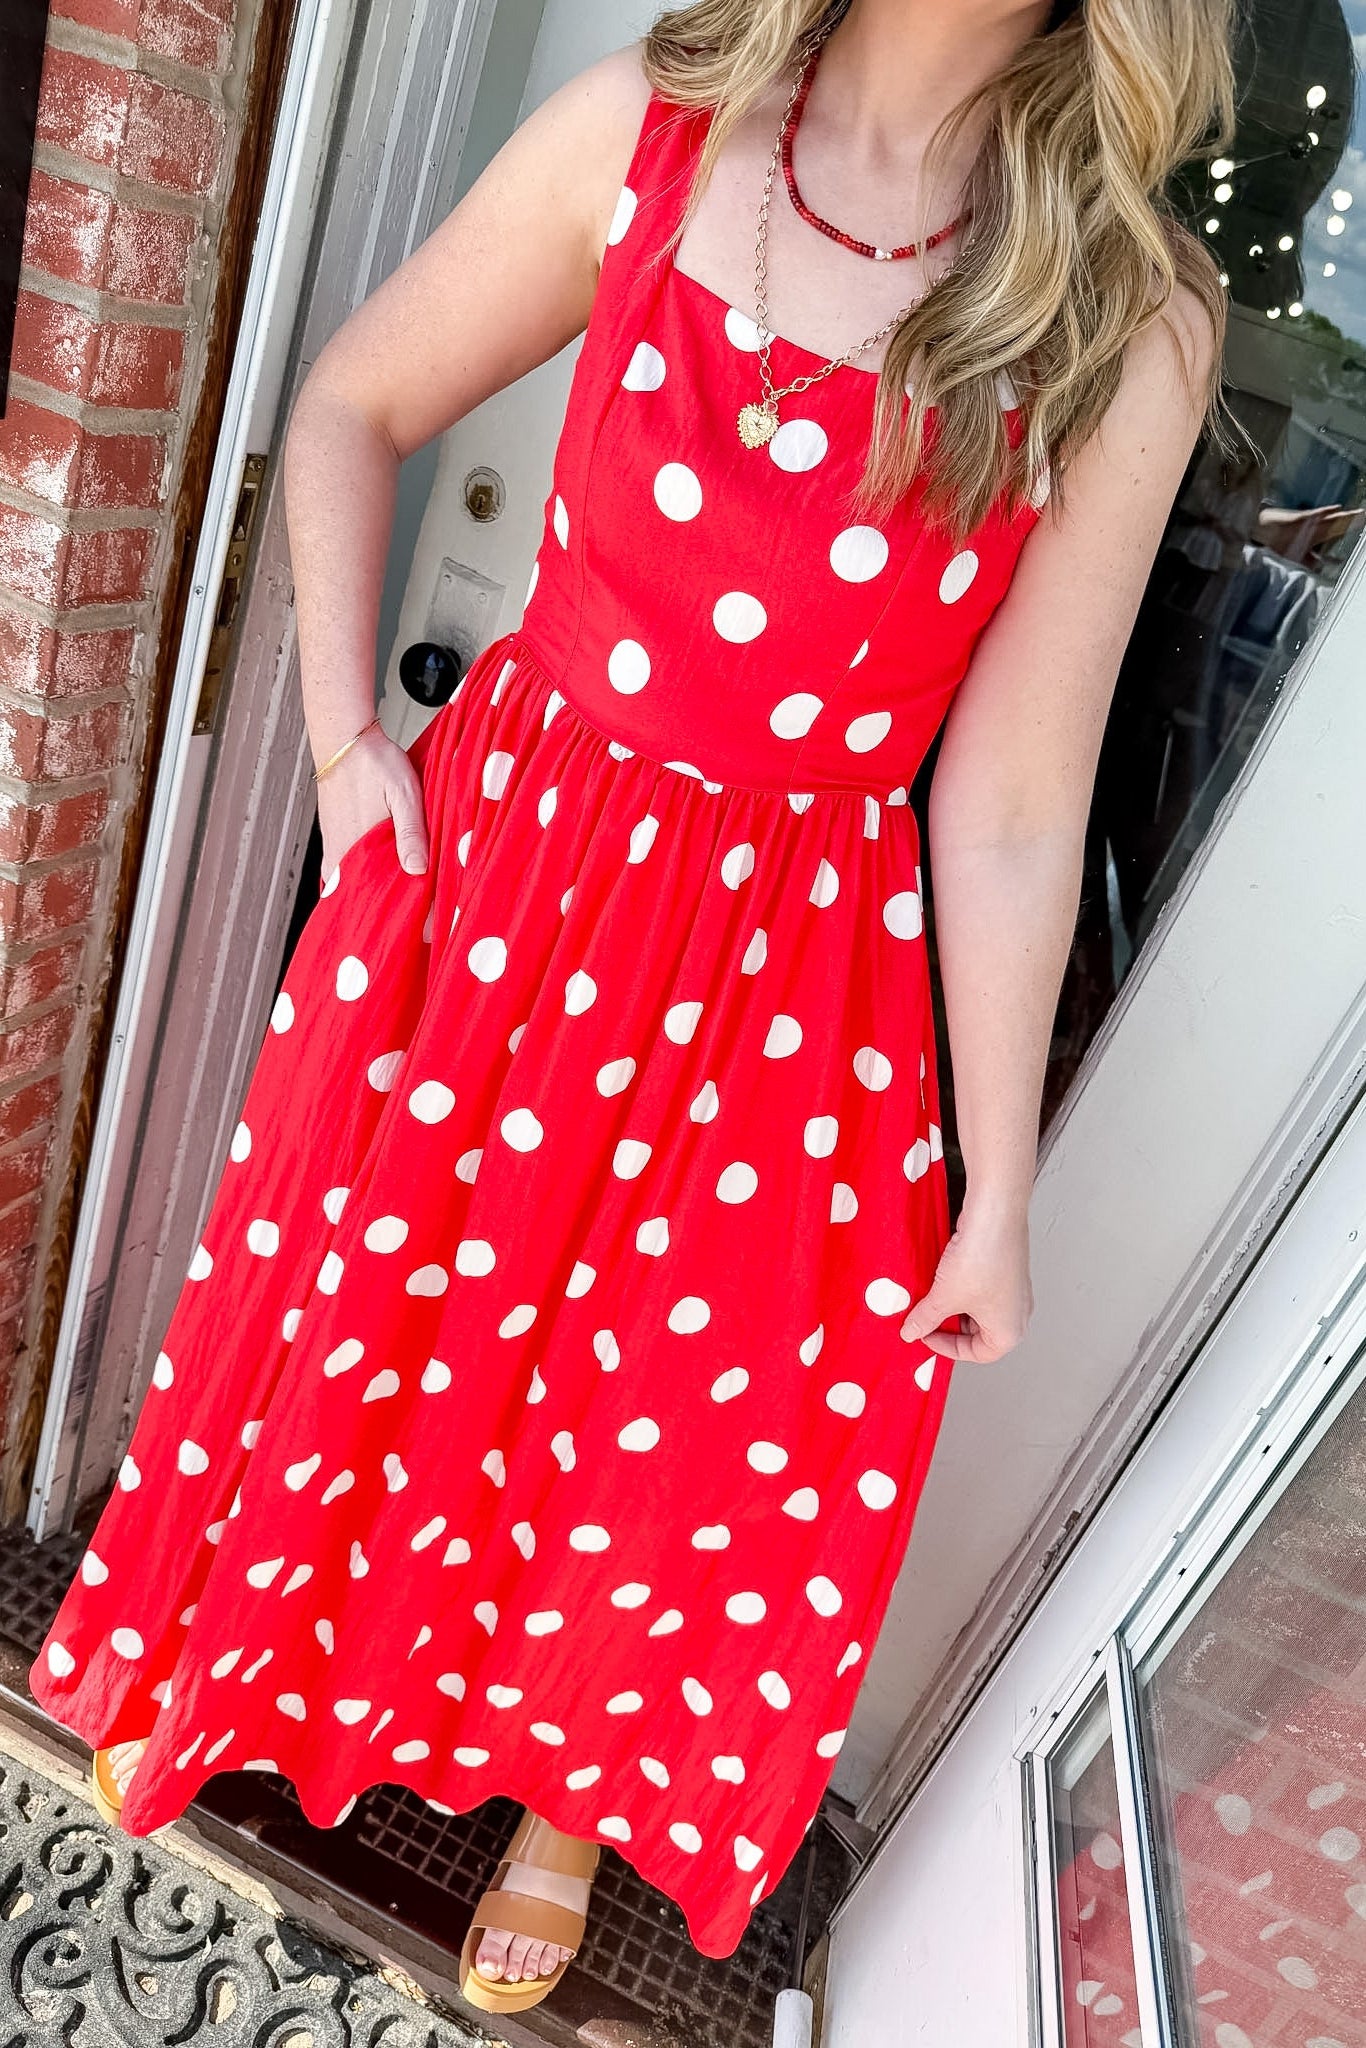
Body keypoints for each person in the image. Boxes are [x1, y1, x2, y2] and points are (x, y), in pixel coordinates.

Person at [29, 0, 1232, 2016]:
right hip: (508, 888)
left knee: (661, 1430)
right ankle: (242, 1649)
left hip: (798, 975)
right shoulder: (649, 129)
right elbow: (349, 403)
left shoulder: (1122, 306)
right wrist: (348, 759)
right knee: (384, 1309)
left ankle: (562, 1808)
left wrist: (997, 1182)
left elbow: (1014, 800)